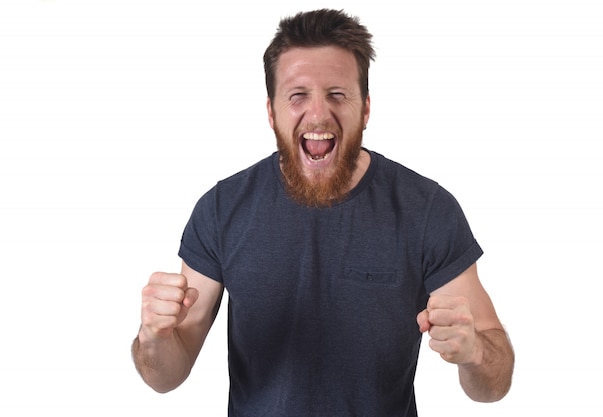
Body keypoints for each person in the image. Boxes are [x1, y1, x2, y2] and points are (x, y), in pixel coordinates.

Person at [132, 8, 514, 416]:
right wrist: (154, 337)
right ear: (271, 111)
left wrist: (474, 351)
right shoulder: (222, 209)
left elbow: (494, 384)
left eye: (337, 94)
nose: (317, 114)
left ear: (365, 109)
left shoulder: (427, 210)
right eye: (298, 95)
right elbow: (166, 376)